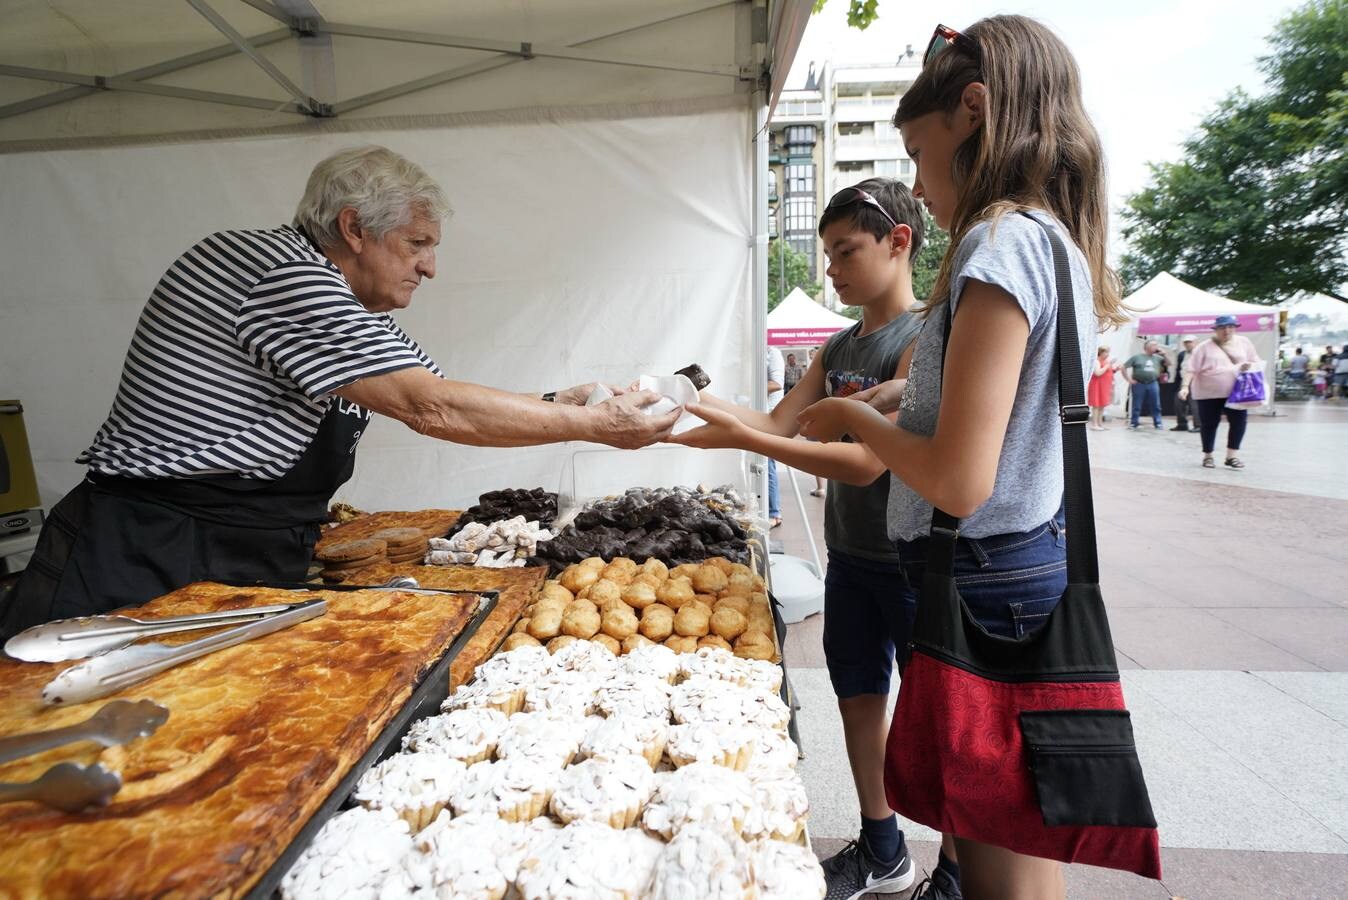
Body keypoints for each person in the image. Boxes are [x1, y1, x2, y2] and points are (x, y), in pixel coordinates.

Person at [1, 146, 677, 639]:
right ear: (354, 228)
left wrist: (565, 402)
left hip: (243, 551)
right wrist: (601, 427)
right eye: (417, 243)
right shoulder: (278, 273)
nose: (431, 267)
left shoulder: (344, 309)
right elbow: (432, 409)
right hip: (149, 555)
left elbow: (437, 392)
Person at [797, 16, 1120, 899]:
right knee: (1010, 849)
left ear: (972, 111)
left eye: (916, 149)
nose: (915, 182)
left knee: (1005, 867)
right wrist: (900, 400)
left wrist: (852, 420)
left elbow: (956, 478)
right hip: (1019, 573)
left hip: (986, 584)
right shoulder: (1051, 236)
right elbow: (1004, 408)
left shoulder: (999, 242)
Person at [674, 177, 928, 898]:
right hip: (851, 557)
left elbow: (868, 460)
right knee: (858, 699)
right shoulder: (842, 344)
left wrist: (743, 438)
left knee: (936, 722)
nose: (833, 269)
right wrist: (683, 406)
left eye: (846, 251)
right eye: (828, 253)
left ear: (898, 241)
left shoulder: (922, 343)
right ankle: (884, 849)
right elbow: (777, 422)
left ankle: (962, 870)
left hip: (910, 564)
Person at [1178, 314, 1263, 469]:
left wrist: (1247, 366)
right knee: (1209, 424)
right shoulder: (1203, 347)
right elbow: (1191, 369)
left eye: (1230, 327)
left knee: (1239, 423)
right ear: (1215, 329)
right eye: (1222, 327)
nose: (1226, 330)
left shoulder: (1244, 343)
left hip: (1237, 392)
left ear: (1235, 328)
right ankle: (1208, 455)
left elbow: (1255, 361)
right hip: (1208, 393)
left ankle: (1232, 456)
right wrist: (1185, 387)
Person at [1123, 340, 1164, 429]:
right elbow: (1123, 367)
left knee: (1155, 404)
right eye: (1153, 345)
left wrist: (1164, 354)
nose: (1156, 347)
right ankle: (1134, 422)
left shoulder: (1158, 358)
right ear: (1147, 347)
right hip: (1139, 383)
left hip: (1153, 382)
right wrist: (1128, 379)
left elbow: (1169, 363)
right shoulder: (1137, 357)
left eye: (1156, 345)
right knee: (1137, 404)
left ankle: (1158, 422)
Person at [765, 346, 786, 528]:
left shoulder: (773, 353)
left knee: (768, 463)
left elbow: (776, 384)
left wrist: (750, 388)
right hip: (758, 413)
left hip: (770, 414)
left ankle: (774, 512)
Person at [1171, 335, 1199, 431]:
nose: (1187, 344)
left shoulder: (1200, 353)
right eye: (1186, 342)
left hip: (1196, 381)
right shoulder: (1182, 354)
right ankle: (1182, 424)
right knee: (1178, 403)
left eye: (1190, 342)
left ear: (1196, 342)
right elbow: (1178, 369)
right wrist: (1176, 382)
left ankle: (1198, 425)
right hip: (1183, 381)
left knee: (1194, 404)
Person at [1087, 347, 1118, 430]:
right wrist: (1107, 366)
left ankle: (1100, 423)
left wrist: (1115, 368)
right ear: (1100, 353)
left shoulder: (1106, 362)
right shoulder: (1096, 361)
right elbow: (1097, 373)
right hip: (1096, 386)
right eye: (1106, 352)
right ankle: (1094, 424)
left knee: (1102, 405)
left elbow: (1109, 371)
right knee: (1096, 405)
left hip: (1104, 386)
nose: (1108, 354)